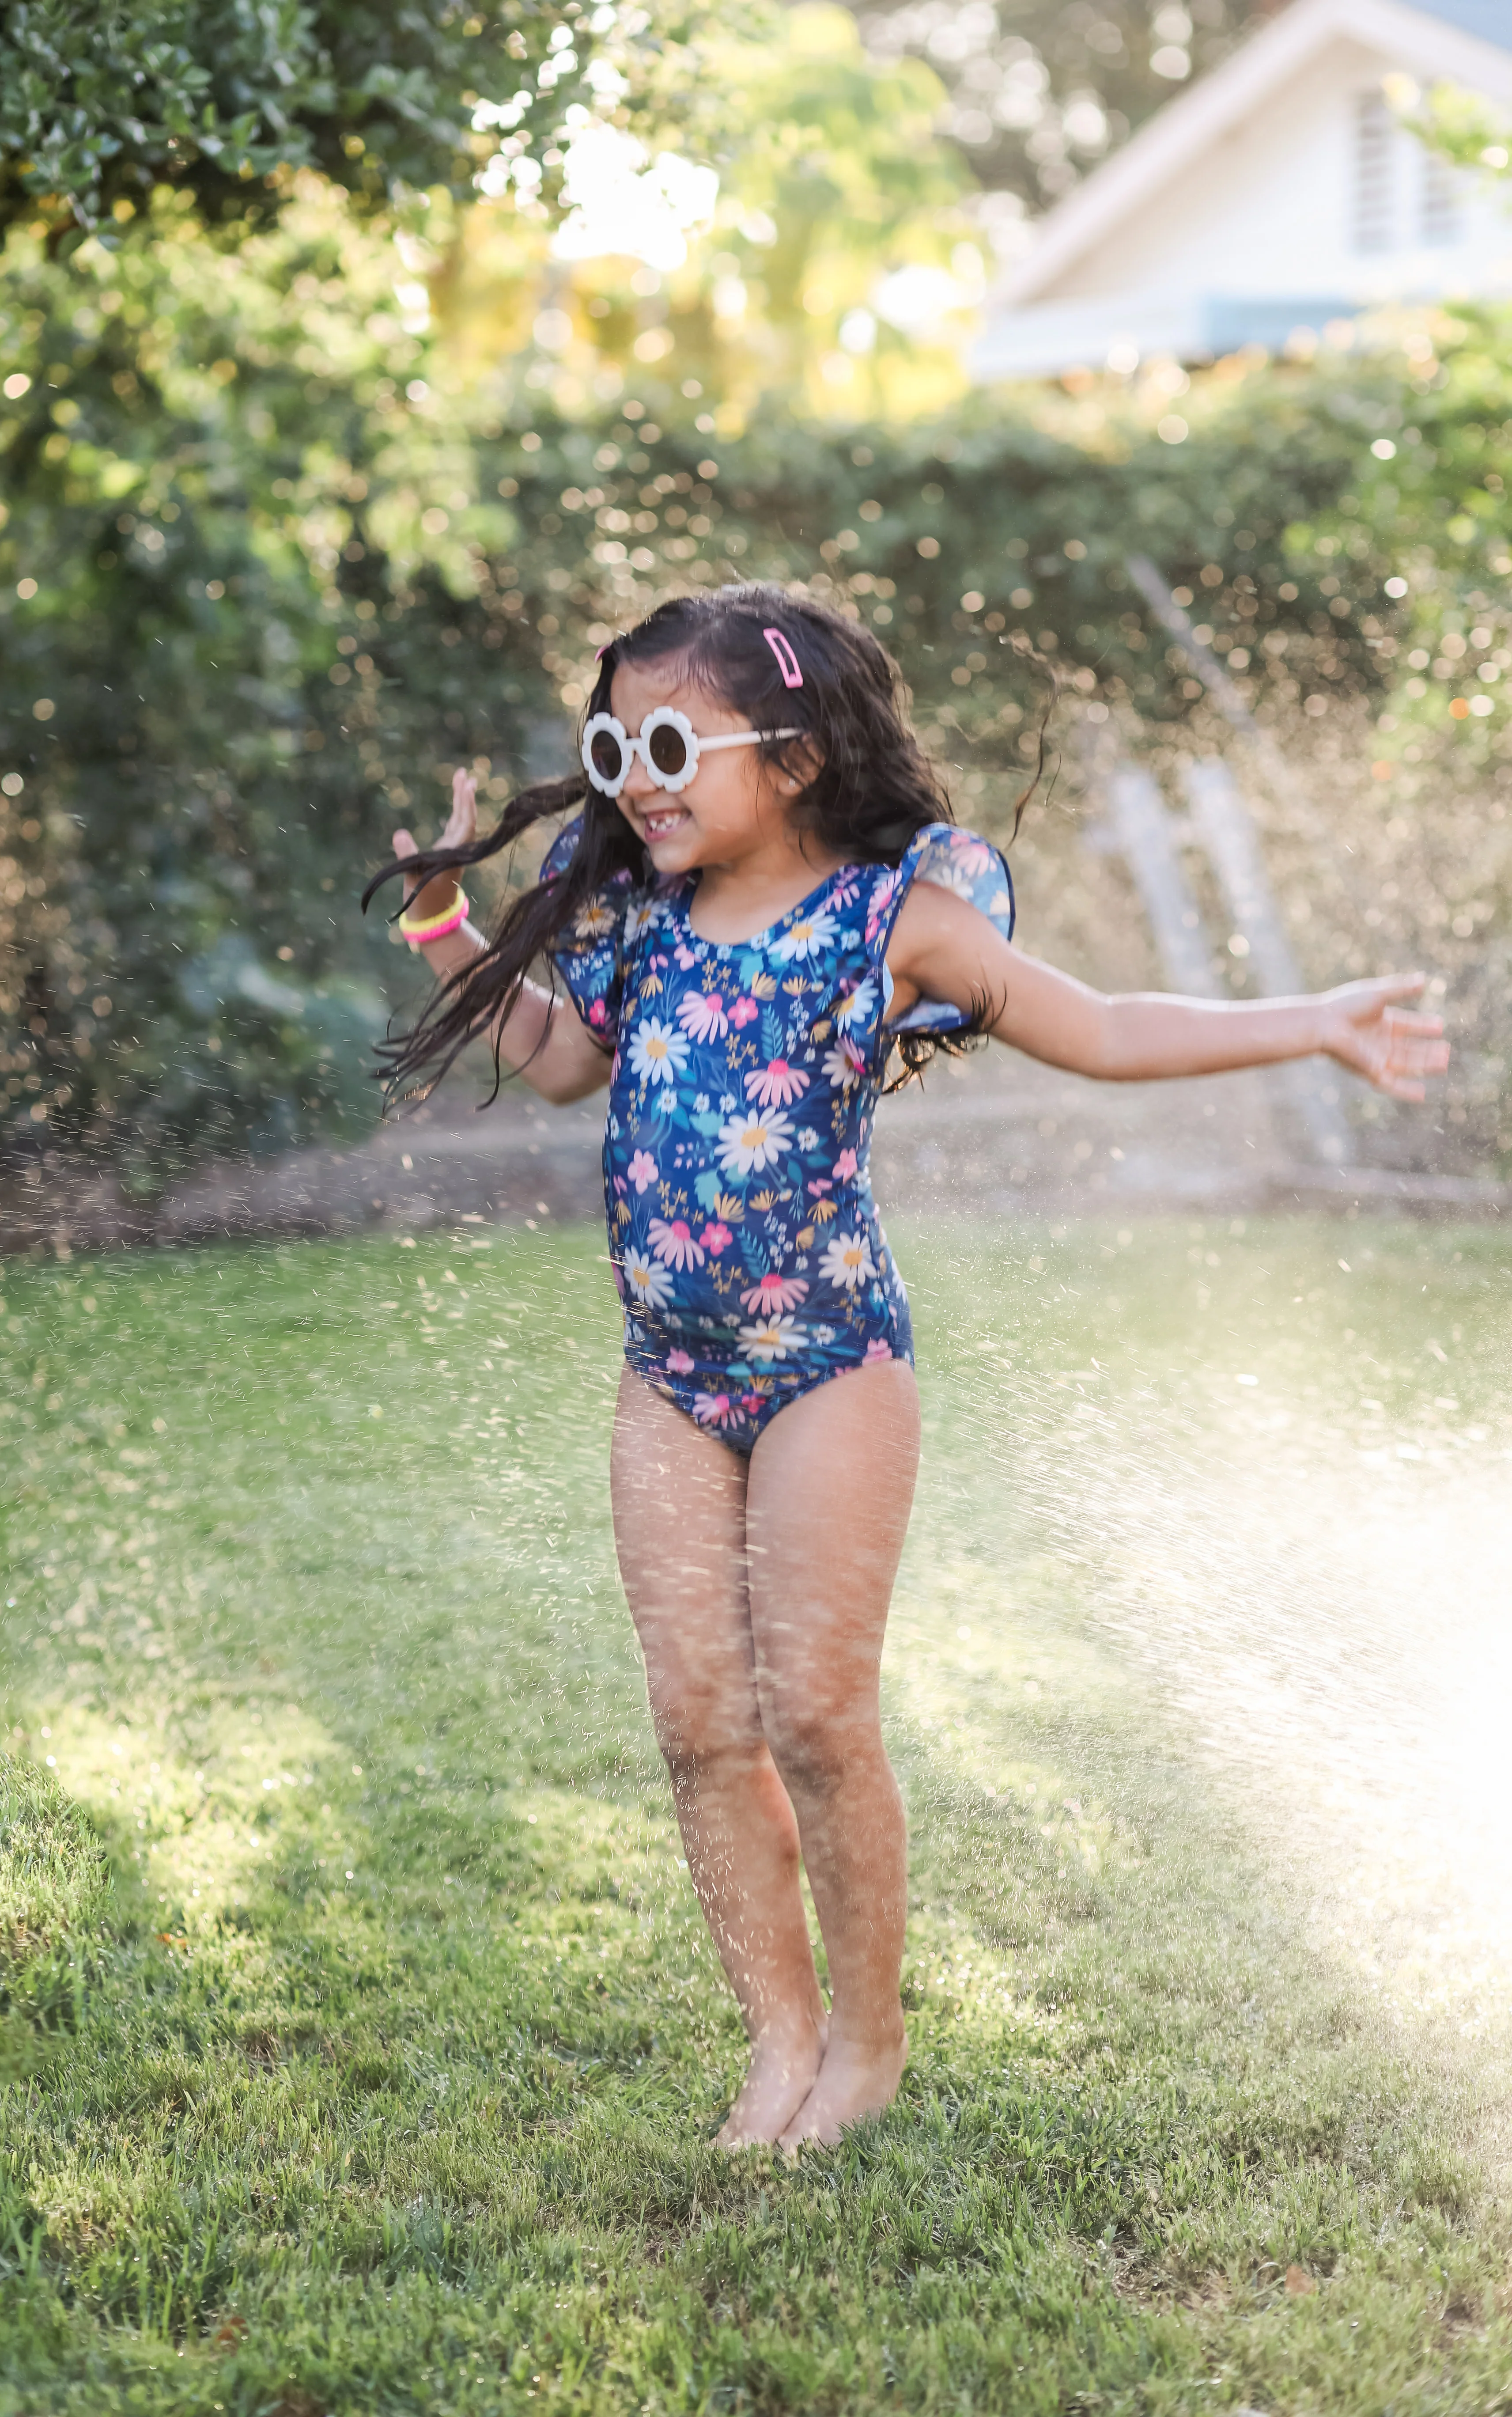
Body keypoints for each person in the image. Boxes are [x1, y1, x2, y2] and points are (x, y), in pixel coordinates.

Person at [364, 584, 1447, 2151]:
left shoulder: (891, 924)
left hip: (830, 1368)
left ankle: (865, 2045)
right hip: (669, 1373)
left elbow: (1115, 1027)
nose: (636, 775)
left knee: (814, 1713)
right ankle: (778, 2038)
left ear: (792, 757)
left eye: (670, 740)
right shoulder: (649, 927)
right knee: (696, 1722)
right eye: (615, 744)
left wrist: (1315, 1022)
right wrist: (444, 925)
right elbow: (562, 1065)